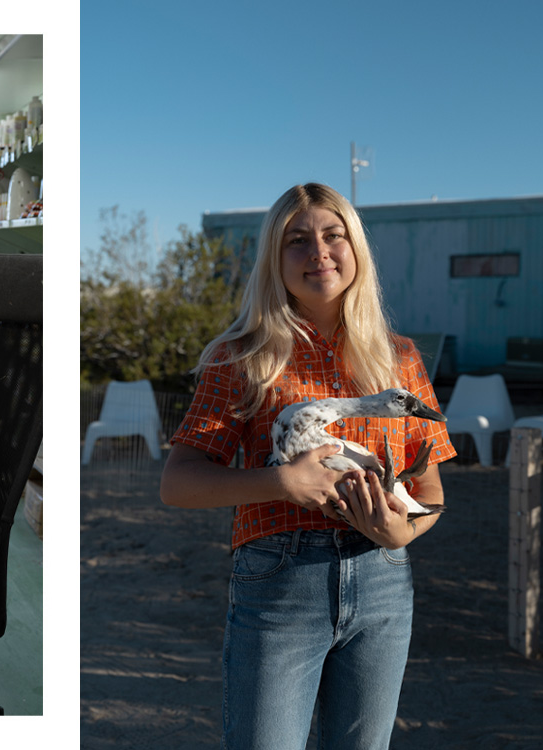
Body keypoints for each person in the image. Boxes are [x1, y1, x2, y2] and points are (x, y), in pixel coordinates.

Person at [159, 183, 456, 749]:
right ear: (275, 259)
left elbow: (431, 490)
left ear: (355, 249)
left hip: (384, 580)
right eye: (297, 240)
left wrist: (404, 530)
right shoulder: (240, 357)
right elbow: (177, 483)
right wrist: (281, 481)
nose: (318, 251)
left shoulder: (402, 358)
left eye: (332, 235)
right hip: (279, 581)